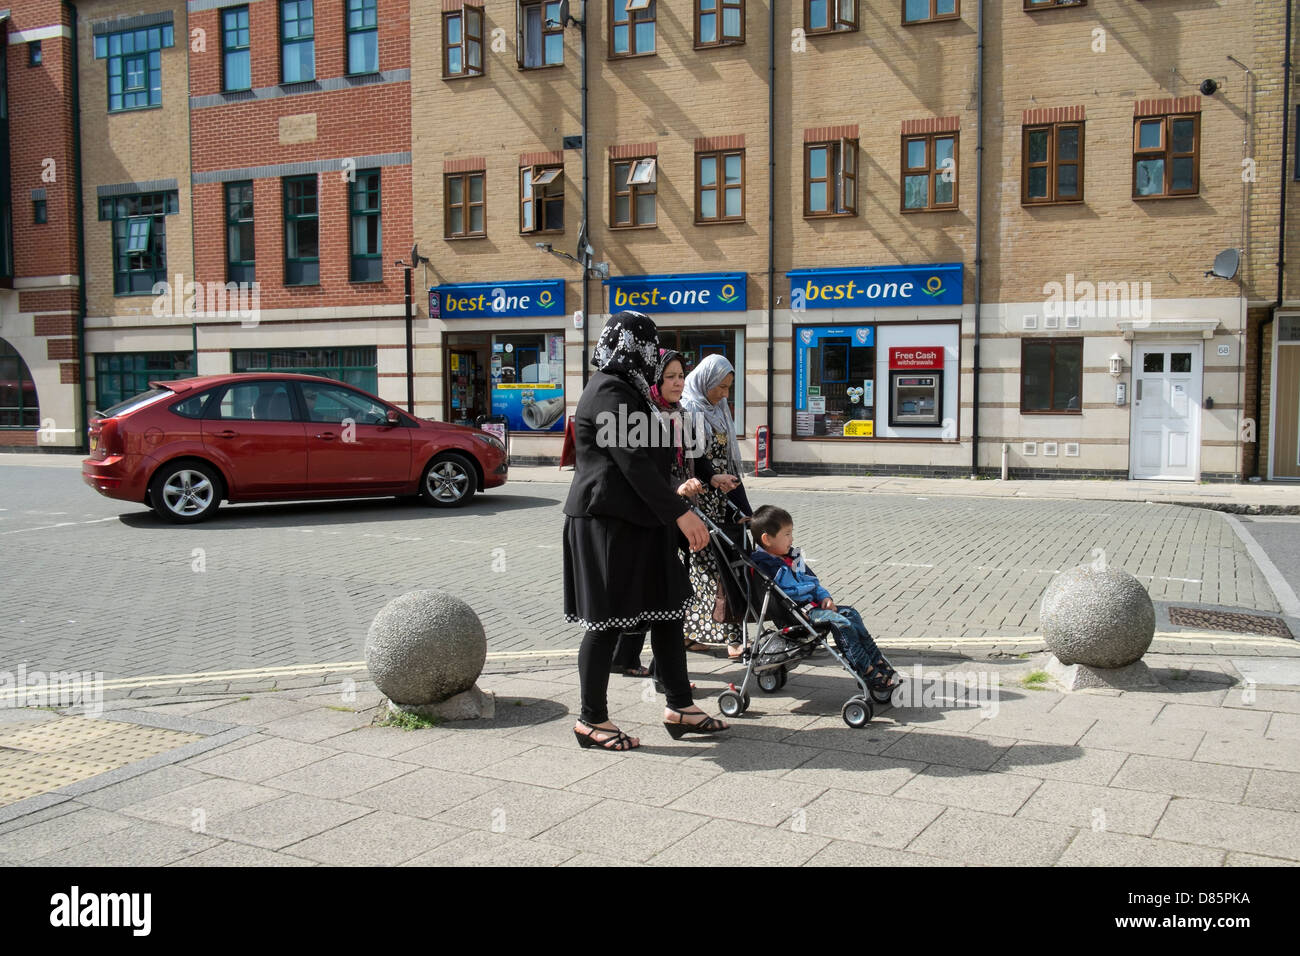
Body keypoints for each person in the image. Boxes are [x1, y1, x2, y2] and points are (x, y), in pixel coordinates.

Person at [563, 312, 730, 750]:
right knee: (607, 621)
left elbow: (657, 457)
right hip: (608, 523)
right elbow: (632, 462)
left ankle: (680, 705)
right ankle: (591, 721)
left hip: (644, 522)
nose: (654, 354)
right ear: (630, 346)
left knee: (668, 609)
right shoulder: (609, 390)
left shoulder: (634, 390)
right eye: (649, 345)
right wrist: (680, 512)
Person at [748, 504, 899, 695]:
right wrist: (813, 595)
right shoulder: (766, 565)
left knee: (851, 614)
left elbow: (813, 581)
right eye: (786, 534)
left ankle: (876, 660)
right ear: (767, 539)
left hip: (814, 607)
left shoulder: (792, 557)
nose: (791, 539)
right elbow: (788, 592)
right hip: (797, 613)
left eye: (791, 533)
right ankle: (866, 671)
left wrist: (824, 596)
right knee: (841, 622)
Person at [680, 355, 750, 659]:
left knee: (728, 564)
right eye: (720, 386)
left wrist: (741, 502)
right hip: (698, 501)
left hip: (724, 495)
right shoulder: (687, 410)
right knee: (710, 568)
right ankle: (729, 636)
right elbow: (686, 462)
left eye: (728, 387)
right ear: (706, 381)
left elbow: (729, 459)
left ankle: (689, 633)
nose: (724, 393)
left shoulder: (719, 409)